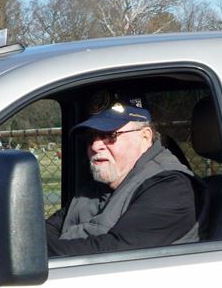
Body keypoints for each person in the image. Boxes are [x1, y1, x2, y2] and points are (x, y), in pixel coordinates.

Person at [46, 98, 201, 256]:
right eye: (91, 137)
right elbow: (47, 231)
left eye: (110, 135)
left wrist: (32, 253)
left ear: (145, 137)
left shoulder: (171, 188)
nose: (95, 145)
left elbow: (113, 253)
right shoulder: (96, 187)